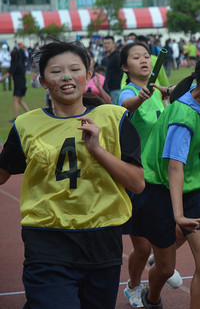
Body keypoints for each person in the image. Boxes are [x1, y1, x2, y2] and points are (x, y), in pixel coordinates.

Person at [0, 39, 145, 309]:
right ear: (42, 81)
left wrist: (98, 150)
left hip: (102, 242)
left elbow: (137, 183)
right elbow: (3, 172)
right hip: (46, 240)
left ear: (88, 76)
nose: (66, 77)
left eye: (74, 69)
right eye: (55, 71)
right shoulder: (26, 125)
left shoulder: (115, 118)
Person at [132, 53, 200, 309]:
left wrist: (168, 89)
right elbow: (174, 168)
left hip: (193, 190)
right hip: (160, 190)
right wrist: (178, 215)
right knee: (166, 268)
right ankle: (151, 297)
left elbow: (187, 86)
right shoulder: (183, 118)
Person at [117, 42, 183, 307]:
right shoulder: (128, 91)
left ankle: (161, 257)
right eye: (136, 57)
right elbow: (126, 105)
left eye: (146, 56)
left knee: (183, 228)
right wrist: (140, 98)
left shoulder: (157, 92)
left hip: (162, 177)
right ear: (125, 66)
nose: (144, 60)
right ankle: (133, 287)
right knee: (142, 247)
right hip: (138, 180)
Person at [0, 48, 30, 122]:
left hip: (19, 85)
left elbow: (8, 74)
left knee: (15, 100)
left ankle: (16, 118)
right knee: (20, 100)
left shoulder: (15, 63)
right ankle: (29, 114)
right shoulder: (20, 63)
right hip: (23, 84)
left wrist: (0, 80)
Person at [103, 35, 121, 104]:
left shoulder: (116, 56)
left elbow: (122, 71)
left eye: (108, 43)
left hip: (116, 88)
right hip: (111, 89)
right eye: (105, 43)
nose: (106, 45)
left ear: (114, 44)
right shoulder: (110, 56)